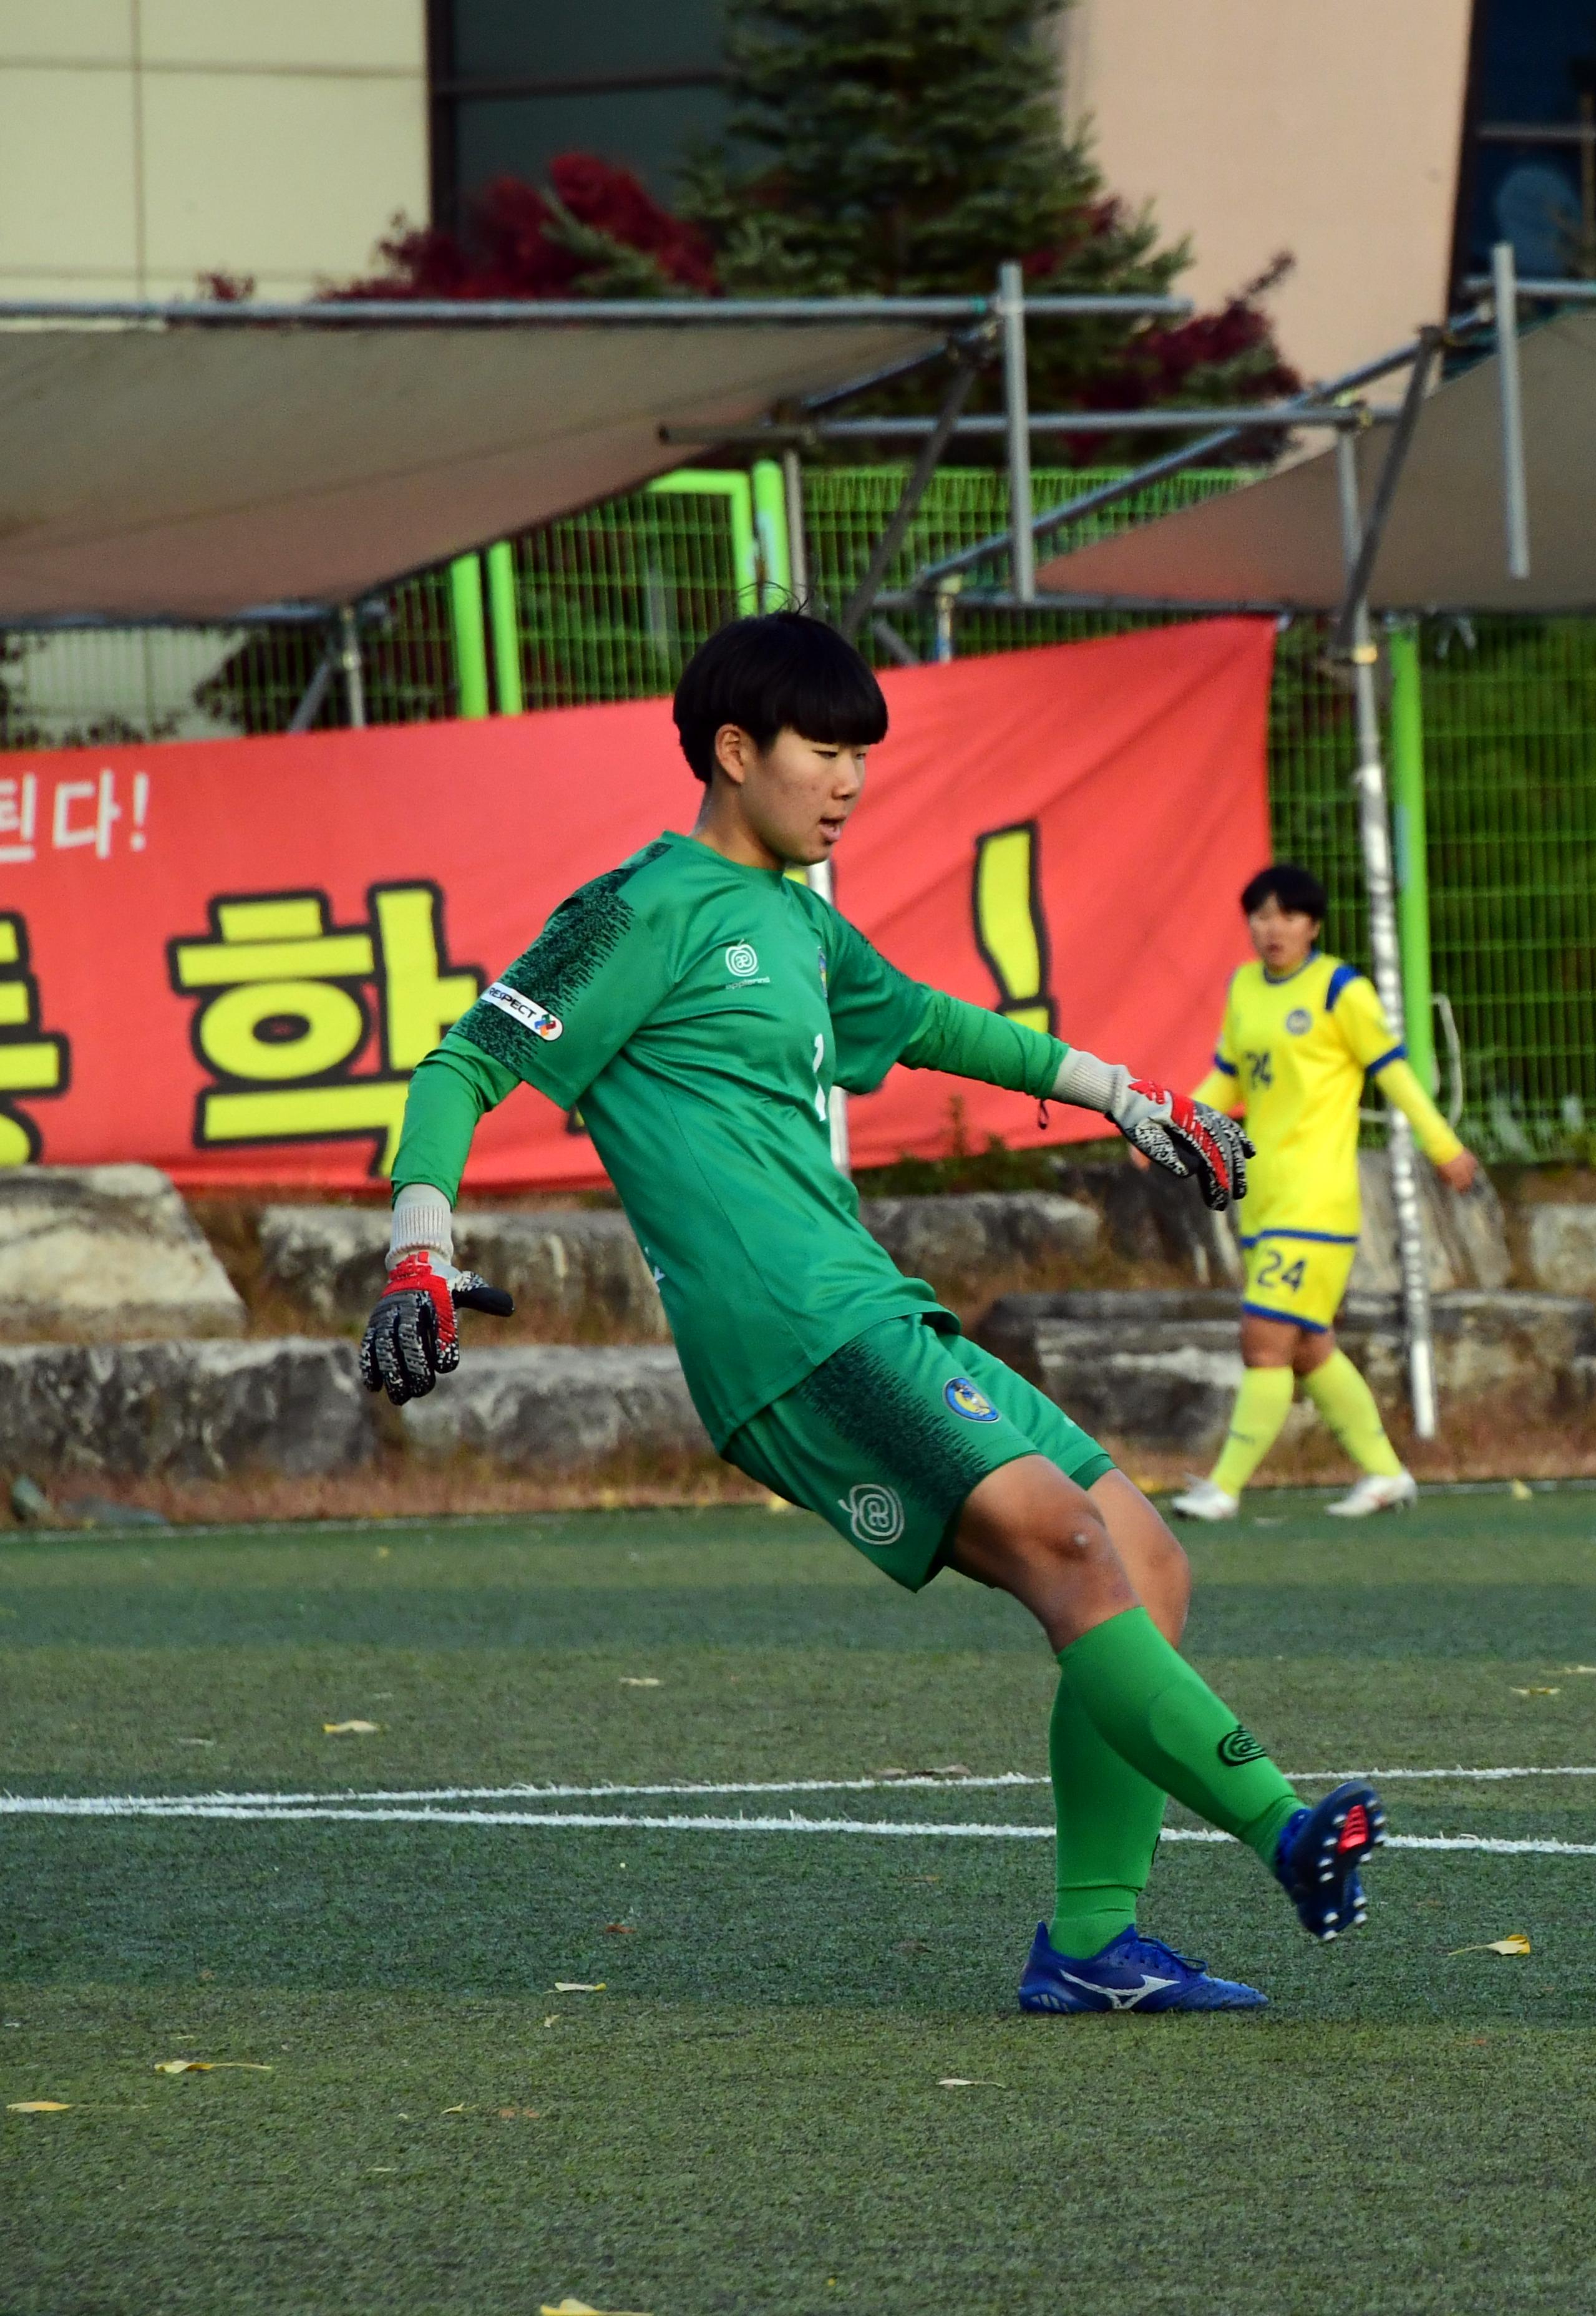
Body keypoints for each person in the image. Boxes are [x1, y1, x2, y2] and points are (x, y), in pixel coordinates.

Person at [357, 611, 1383, 2012]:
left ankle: (1092, 1946)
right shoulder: (639, 909)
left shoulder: (797, 913)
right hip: (793, 1339)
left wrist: (1131, 1099)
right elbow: (463, 1063)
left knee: (1148, 1562)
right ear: (735, 750)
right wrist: (421, 1241)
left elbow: (937, 1023)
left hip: (879, 1313)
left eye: (862, 757)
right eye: (823, 753)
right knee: (1071, 1543)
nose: (849, 783)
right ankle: (1285, 1826)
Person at [1168, 863, 1479, 1522]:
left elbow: (1392, 1074)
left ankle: (1223, 1487)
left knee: (1262, 1339)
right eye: (1260, 915)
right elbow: (1230, 1077)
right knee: (1308, 1346)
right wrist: (1172, 1127)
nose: (1271, 928)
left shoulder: (1341, 989)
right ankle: (1387, 1474)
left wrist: (1443, 1146)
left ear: (1313, 924)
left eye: (1286, 915)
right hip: (1264, 1197)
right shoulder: (1245, 986)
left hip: (1318, 1201)